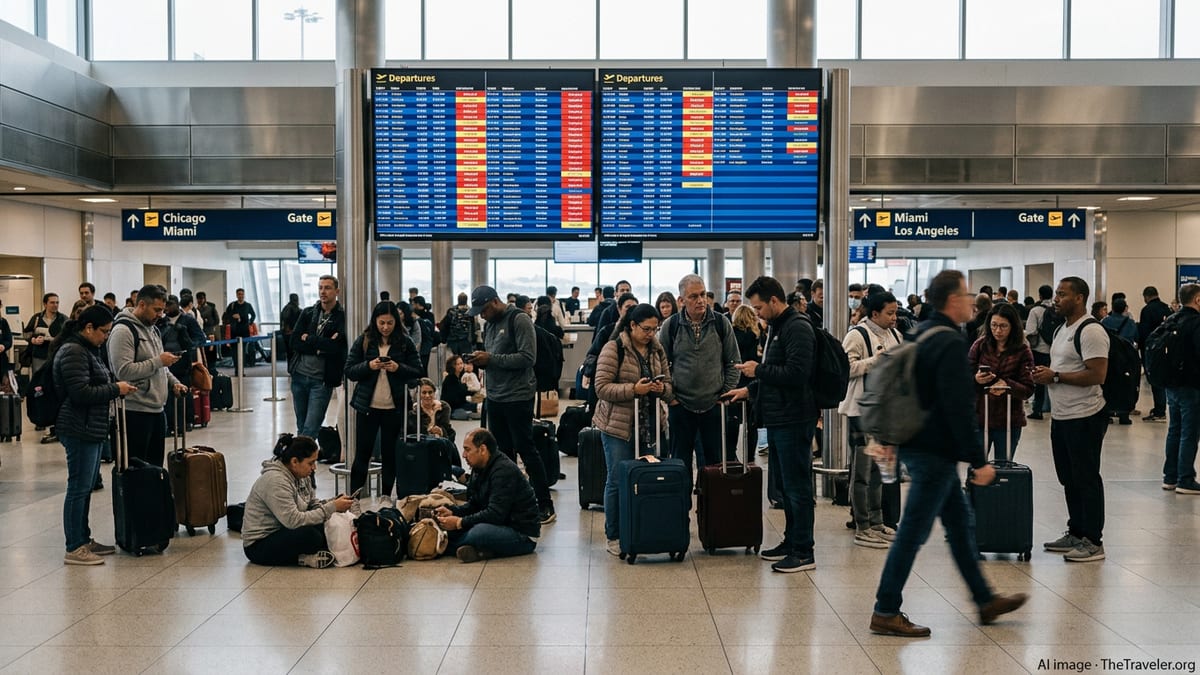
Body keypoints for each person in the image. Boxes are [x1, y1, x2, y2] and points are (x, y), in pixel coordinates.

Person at [867, 270, 1027, 637]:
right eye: (967, 296)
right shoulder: (950, 341)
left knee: (959, 525)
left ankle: (985, 599)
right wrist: (980, 461)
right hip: (934, 453)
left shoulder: (921, 332)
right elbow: (957, 408)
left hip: (918, 445)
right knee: (912, 532)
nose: (972, 302)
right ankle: (885, 609)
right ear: (953, 300)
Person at [724, 276, 819, 573]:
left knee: (798, 486)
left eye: (759, 307)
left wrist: (757, 370)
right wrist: (749, 391)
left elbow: (796, 374)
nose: (757, 313)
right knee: (785, 487)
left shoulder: (798, 327)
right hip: (779, 418)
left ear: (775, 301)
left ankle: (804, 551)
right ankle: (791, 541)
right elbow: (777, 375)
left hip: (794, 418)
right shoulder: (779, 327)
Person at [53, 305, 138, 565]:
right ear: (88, 328)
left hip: (91, 427)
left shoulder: (88, 349)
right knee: (78, 488)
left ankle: (83, 538)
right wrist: (116, 389)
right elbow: (81, 393)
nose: (105, 337)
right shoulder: (73, 351)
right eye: (103, 332)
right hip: (78, 428)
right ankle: (73, 547)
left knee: (86, 487)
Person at [1033, 276, 1110, 563]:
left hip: (1085, 415)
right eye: (1056, 293)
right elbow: (1062, 367)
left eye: (1062, 294)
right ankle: (1076, 531)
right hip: (1062, 415)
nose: (1056, 299)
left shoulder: (1091, 331)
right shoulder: (1063, 329)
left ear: (1079, 298)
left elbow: (1097, 374)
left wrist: (1055, 376)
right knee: (1069, 478)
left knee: (1086, 477)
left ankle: (1093, 541)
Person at [467, 285, 556, 524]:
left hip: (518, 396)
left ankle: (544, 503)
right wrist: (483, 360)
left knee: (525, 448)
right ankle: (507, 503)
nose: (481, 315)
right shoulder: (489, 325)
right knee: (501, 454)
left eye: (483, 310)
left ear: (495, 302)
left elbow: (528, 357)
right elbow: (493, 356)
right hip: (495, 396)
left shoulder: (520, 320)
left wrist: (491, 359)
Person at [591, 303, 672, 556]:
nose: (651, 334)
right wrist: (633, 390)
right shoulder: (614, 348)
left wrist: (662, 390)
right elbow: (601, 388)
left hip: (650, 424)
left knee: (647, 479)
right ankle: (614, 534)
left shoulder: (657, 350)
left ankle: (643, 528)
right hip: (617, 426)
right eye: (646, 329)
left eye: (655, 329)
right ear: (632, 326)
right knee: (616, 480)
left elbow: (669, 385)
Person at [839, 291, 904, 549]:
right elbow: (846, 368)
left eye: (895, 312)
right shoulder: (857, 334)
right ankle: (862, 524)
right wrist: (875, 362)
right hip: (862, 412)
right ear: (874, 313)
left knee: (881, 469)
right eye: (890, 313)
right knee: (862, 472)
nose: (894, 317)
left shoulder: (895, 335)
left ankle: (877, 521)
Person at [660, 274, 740, 478]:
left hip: (713, 405)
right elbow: (661, 366)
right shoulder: (671, 326)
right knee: (680, 463)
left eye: (703, 294)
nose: (701, 300)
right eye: (694, 296)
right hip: (681, 406)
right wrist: (671, 397)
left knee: (713, 466)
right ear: (682, 300)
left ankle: (712, 509)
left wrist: (724, 394)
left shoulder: (721, 323)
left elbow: (733, 362)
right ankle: (680, 508)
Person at [344, 301, 423, 498]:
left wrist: (398, 368)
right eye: (381, 323)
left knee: (390, 456)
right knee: (362, 455)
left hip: (394, 408)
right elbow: (349, 370)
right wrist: (369, 366)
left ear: (396, 322)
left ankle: (386, 497)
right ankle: (352, 498)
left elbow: (418, 371)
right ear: (375, 321)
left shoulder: (405, 342)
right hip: (367, 407)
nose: (386, 327)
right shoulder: (364, 340)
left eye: (389, 323)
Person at [242, 434, 353, 568]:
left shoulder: (301, 474)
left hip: (284, 529)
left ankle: (310, 554)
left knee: (324, 525)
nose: (314, 468)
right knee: (311, 536)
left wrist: (333, 504)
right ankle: (302, 559)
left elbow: (312, 503)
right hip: (260, 544)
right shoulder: (276, 481)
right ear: (295, 462)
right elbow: (293, 521)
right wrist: (331, 507)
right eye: (311, 463)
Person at [108, 285, 188, 467]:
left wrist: (174, 383)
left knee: (154, 471)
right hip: (133, 413)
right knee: (135, 472)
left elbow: (161, 368)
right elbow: (123, 371)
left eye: (163, 310)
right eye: (157, 310)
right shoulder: (123, 331)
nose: (161, 314)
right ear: (142, 305)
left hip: (157, 410)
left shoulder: (153, 329)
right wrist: (159, 361)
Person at [434, 428, 541, 562]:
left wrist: (459, 522)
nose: (463, 455)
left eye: (468, 449)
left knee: (477, 532)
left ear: (482, 449)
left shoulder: (503, 470)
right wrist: (452, 511)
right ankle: (481, 551)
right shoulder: (478, 468)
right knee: (465, 528)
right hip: (500, 525)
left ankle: (442, 545)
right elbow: (474, 504)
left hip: (521, 534)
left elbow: (495, 514)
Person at [968, 303, 1035, 461]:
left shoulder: (1023, 350)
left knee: (1004, 467)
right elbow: (963, 378)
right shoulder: (980, 345)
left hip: (1009, 419)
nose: (998, 330)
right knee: (976, 466)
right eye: (994, 325)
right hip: (979, 416)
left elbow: (1028, 388)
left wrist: (1007, 385)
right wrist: (975, 379)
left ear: (1013, 326)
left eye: (1003, 326)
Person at [288, 275, 348, 440]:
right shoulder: (308, 313)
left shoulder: (341, 317)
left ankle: (302, 460)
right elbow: (294, 341)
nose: (323, 292)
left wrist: (310, 339)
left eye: (327, 288)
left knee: (310, 427)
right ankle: (304, 463)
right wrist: (322, 346)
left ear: (336, 291)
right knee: (301, 425)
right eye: (320, 287)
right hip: (299, 376)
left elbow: (336, 347)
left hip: (321, 381)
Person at [1162, 283, 1200, 494]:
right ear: (1197, 300)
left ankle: (1170, 476)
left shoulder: (1172, 320)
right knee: (1190, 431)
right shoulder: (1196, 323)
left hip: (1172, 384)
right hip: (1191, 385)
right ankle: (1186, 478)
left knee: (1174, 429)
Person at [159, 294, 205, 434]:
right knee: (169, 395)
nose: (167, 308)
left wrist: (188, 346)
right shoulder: (162, 321)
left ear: (176, 305)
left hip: (183, 363)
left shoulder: (188, 320)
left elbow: (200, 338)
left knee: (185, 392)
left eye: (170, 304)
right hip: (166, 364)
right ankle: (171, 424)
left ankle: (187, 420)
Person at [25, 293, 66, 441]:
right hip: (39, 356)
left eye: (57, 302)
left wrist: (52, 339)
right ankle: (40, 416)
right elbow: (27, 333)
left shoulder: (63, 319)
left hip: (55, 357)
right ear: (45, 304)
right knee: (39, 387)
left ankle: (55, 419)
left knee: (53, 387)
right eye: (52, 302)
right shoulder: (36, 318)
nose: (55, 305)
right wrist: (33, 339)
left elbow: (66, 335)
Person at [1140, 286, 1173, 422]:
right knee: (1163, 378)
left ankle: (1159, 411)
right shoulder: (1167, 308)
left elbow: (1144, 332)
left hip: (1152, 349)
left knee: (1154, 379)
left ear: (1146, 296)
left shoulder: (1147, 310)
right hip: (1166, 348)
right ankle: (1160, 408)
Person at [1024, 284, 1055, 420]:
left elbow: (1031, 331)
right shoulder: (1056, 309)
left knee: (1039, 379)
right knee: (1055, 378)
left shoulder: (1035, 310)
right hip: (1055, 349)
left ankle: (1038, 410)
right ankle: (1053, 408)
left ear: (1040, 295)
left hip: (1039, 350)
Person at [409, 377, 455, 442]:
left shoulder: (444, 407)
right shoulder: (414, 411)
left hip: (441, 441)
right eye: (424, 393)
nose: (427, 395)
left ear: (434, 393)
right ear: (419, 394)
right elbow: (415, 432)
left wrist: (440, 431)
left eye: (430, 392)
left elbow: (446, 428)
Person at [222, 288, 257, 368]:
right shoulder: (232, 305)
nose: (240, 296)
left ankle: (242, 369)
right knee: (234, 351)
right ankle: (236, 368)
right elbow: (226, 316)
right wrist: (233, 317)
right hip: (234, 330)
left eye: (242, 294)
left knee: (243, 350)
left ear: (244, 295)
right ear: (236, 295)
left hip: (244, 331)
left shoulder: (248, 305)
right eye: (239, 294)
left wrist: (249, 322)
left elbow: (253, 315)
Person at [442, 354, 481, 420]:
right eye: (458, 364)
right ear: (452, 366)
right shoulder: (450, 379)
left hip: (461, 404)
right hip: (455, 407)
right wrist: (471, 392)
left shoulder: (459, 377)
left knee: (479, 407)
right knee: (479, 408)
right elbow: (459, 394)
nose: (461, 366)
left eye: (461, 363)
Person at [195, 291, 221, 365]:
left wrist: (211, 326)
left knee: (211, 351)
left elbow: (217, 320)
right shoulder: (196, 309)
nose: (200, 300)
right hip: (201, 333)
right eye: (198, 299)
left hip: (210, 332)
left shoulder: (211, 308)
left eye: (202, 299)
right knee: (204, 352)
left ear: (205, 299)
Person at [279, 293, 302, 362]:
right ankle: (292, 368)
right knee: (292, 351)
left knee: (290, 352)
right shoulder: (292, 308)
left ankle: (291, 368)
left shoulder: (287, 307)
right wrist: (288, 330)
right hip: (290, 332)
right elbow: (286, 319)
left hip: (289, 332)